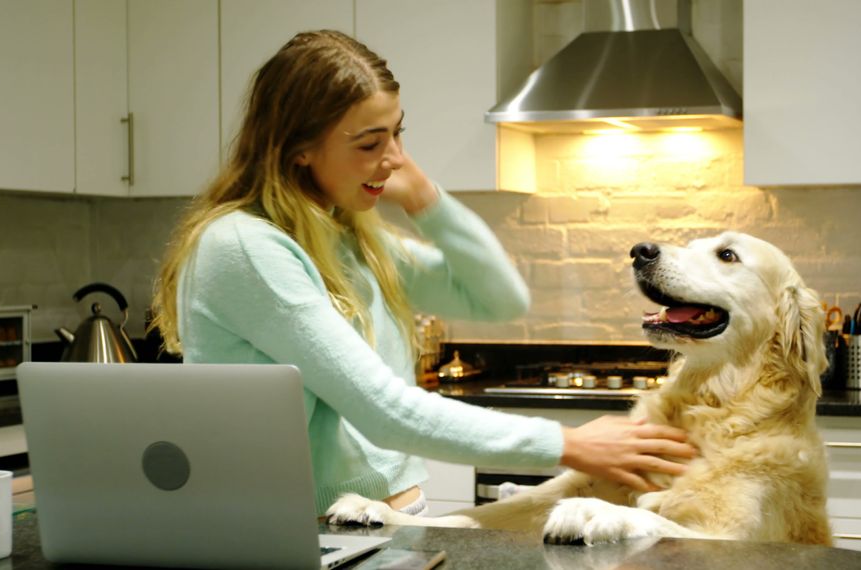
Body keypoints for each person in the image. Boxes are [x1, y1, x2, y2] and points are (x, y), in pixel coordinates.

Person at [151, 30, 694, 516]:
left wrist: (428, 201)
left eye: (397, 134)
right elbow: (383, 411)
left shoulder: (348, 236)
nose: (394, 158)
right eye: (369, 143)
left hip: (387, 523)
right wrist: (568, 443)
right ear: (298, 150)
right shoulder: (247, 247)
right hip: (302, 531)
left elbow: (499, 298)